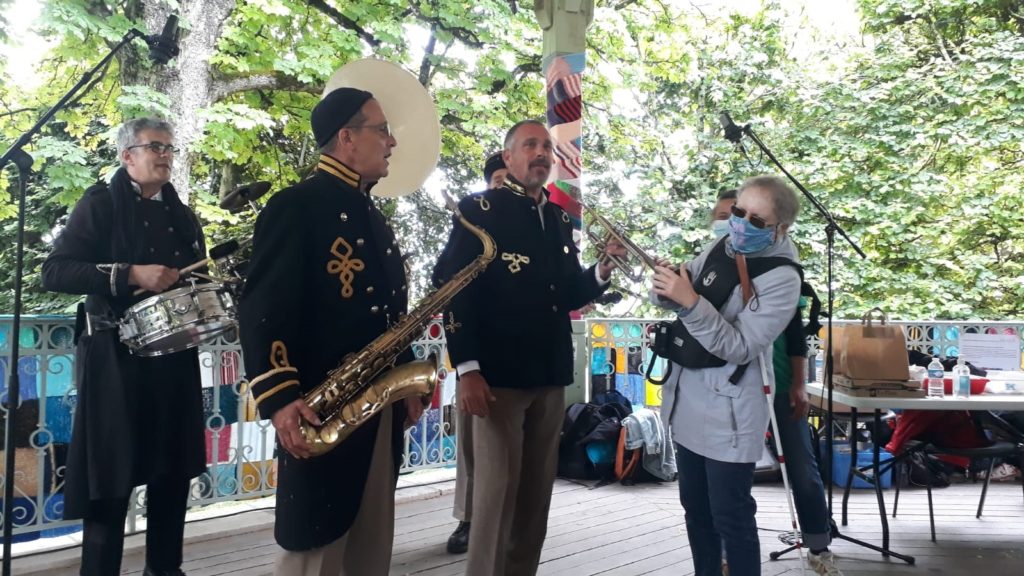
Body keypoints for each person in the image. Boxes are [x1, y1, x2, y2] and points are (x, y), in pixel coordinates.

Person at [238, 87, 424, 576]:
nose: (391, 142)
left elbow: (391, 314)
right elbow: (263, 310)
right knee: (315, 545)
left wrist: (406, 380)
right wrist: (280, 398)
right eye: (381, 130)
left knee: (369, 544)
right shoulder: (295, 207)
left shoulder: (373, 216)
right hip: (320, 406)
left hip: (377, 407)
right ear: (346, 137)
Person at [432, 119, 623, 575]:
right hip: (496, 378)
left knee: (536, 498)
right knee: (496, 496)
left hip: (551, 373)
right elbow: (453, 289)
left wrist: (600, 272)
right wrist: (469, 368)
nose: (540, 153)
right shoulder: (477, 209)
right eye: (530, 145)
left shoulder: (558, 218)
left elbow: (566, 294)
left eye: (546, 147)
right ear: (509, 156)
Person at [41, 118, 206, 576]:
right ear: (126, 156)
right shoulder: (99, 206)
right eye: (155, 147)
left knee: (171, 476)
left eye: (170, 148)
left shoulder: (183, 216)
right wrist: (131, 273)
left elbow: (198, 280)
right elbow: (55, 272)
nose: (165, 155)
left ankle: (165, 571)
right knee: (110, 484)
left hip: (173, 359)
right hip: (115, 362)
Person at [650, 175, 803, 576]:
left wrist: (689, 302)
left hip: (731, 414)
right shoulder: (723, 245)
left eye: (755, 219)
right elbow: (687, 291)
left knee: (730, 515)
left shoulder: (783, 277)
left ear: (779, 228)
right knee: (696, 511)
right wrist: (667, 287)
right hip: (687, 400)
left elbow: (740, 347)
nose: (740, 223)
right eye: (739, 212)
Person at [710, 189, 843, 575]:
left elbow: (795, 332)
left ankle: (819, 545)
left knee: (801, 467)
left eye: (748, 217)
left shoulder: (777, 269)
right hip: (730, 388)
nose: (733, 223)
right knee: (728, 478)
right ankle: (722, 553)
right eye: (727, 216)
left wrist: (800, 384)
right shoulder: (713, 264)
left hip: (780, 381)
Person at [444, 149, 508, 555]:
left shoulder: (531, 221)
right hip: (475, 351)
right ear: (488, 183)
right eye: (500, 179)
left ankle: (502, 521)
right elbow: (447, 278)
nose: (506, 185)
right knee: (471, 443)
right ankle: (468, 519)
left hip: (517, 355)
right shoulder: (471, 221)